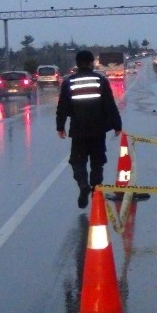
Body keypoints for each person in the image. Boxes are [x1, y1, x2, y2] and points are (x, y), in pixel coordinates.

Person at [56, 50, 123, 209]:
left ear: (78, 63)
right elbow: (110, 105)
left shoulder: (69, 82)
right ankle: (96, 191)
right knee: (97, 161)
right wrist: (117, 125)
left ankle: (83, 185)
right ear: (92, 62)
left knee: (77, 161)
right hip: (98, 130)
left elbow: (62, 107)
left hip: (78, 130)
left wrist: (60, 126)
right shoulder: (100, 80)